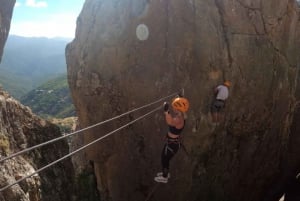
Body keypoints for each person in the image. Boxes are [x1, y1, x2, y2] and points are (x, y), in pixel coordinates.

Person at [154, 96, 189, 183]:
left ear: (178, 109)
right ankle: (165, 173)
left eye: (175, 107)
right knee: (166, 158)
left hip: (172, 144)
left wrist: (166, 112)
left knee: (164, 158)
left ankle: (165, 177)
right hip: (173, 143)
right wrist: (180, 97)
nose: (173, 109)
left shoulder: (179, 119)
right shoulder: (182, 116)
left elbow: (170, 122)